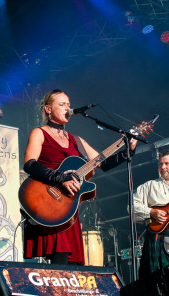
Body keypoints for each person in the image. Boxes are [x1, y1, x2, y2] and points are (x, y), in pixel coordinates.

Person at [22, 89, 137, 265]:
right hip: (49, 201)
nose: (67, 108)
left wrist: (128, 149)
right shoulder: (39, 133)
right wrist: (61, 178)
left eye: (68, 104)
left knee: (73, 266)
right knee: (59, 264)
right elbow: (29, 164)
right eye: (62, 104)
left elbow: (103, 163)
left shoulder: (76, 140)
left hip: (69, 209)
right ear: (48, 109)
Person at [132, 149, 169, 279]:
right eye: (161, 164)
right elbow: (131, 206)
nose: (163, 167)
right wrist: (151, 212)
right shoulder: (149, 186)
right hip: (157, 237)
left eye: (167, 163)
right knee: (156, 280)